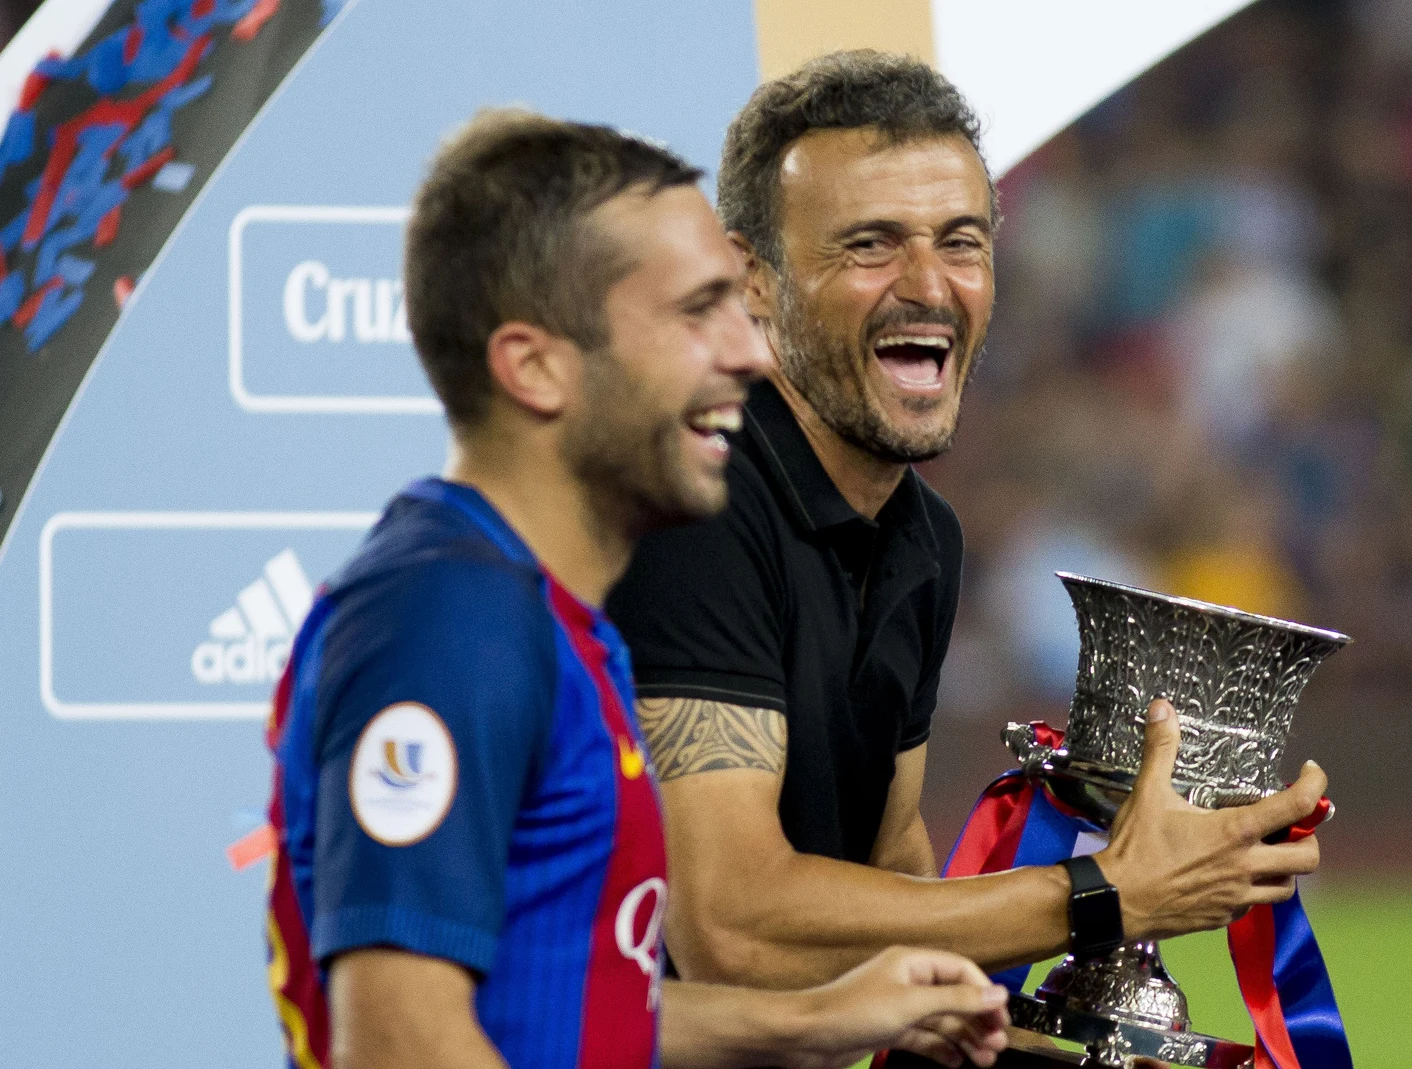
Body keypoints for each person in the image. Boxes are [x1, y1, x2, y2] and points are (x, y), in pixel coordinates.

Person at [262, 108, 1011, 1069]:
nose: (744, 353)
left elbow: (567, 1013)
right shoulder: (446, 624)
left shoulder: (557, 625)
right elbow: (403, 1043)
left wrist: (813, 1020)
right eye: (692, 315)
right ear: (535, 366)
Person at [607, 51, 1329, 990]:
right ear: (752, 278)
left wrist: (1064, 1011)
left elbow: (888, 859)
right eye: (870, 244)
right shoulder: (694, 499)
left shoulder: (921, 534)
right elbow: (729, 925)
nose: (929, 285)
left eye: (961, 241)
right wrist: (1100, 894)